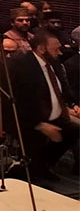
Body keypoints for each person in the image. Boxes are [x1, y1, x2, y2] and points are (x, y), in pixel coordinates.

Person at [7, 28, 80, 182]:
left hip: (54, 113)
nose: (60, 52)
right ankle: (29, 172)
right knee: (37, 138)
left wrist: (70, 106)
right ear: (41, 49)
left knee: (73, 129)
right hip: (28, 119)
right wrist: (40, 124)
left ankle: (43, 165)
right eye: (56, 49)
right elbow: (20, 100)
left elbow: (61, 88)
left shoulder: (53, 62)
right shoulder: (23, 66)